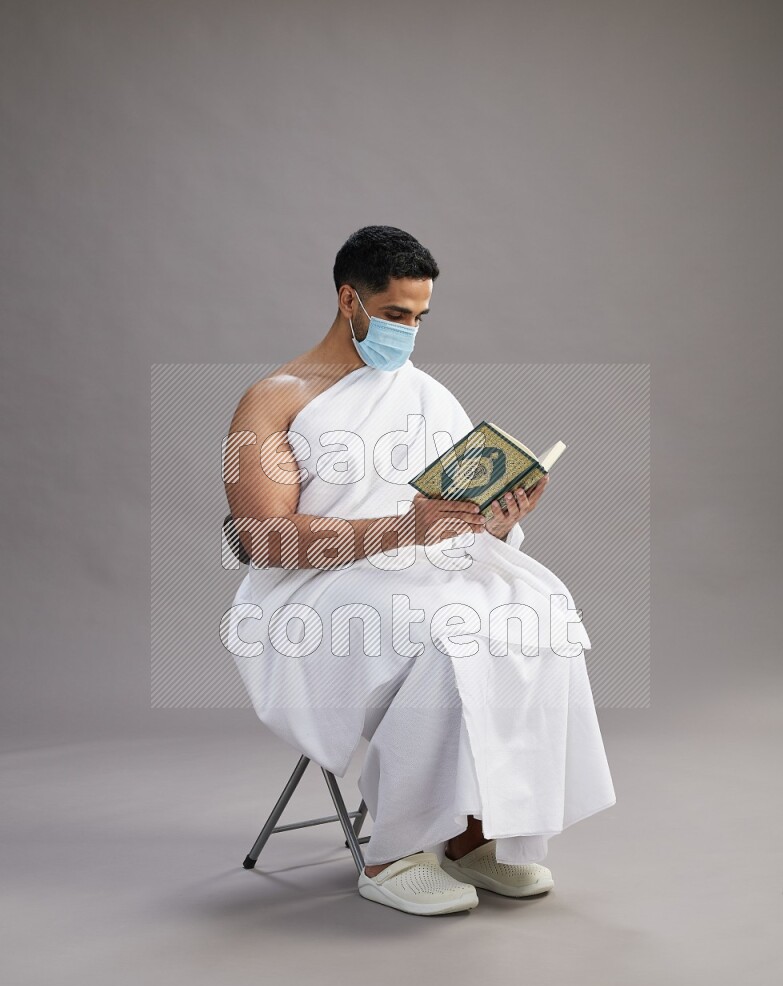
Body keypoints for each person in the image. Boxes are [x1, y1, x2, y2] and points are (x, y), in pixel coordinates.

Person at [222, 225, 616, 917]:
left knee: (539, 611)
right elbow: (263, 538)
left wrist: (497, 517)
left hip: (420, 565)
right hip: (311, 590)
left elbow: (453, 511)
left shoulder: (426, 393)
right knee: (446, 629)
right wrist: (405, 528)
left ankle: (475, 836)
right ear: (351, 300)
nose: (409, 331)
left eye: (420, 317)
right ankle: (391, 852)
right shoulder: (273, 399)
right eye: (397, 315)